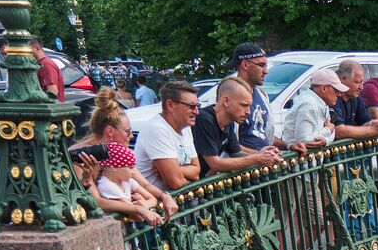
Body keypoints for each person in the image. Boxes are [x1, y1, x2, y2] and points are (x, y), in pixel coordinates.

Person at [73, 87, 179, 222]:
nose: (130, 136)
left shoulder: (119, 154)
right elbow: (97, 201)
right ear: (110, 131)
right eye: (127, 132)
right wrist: (138, 208)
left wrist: (165, 196)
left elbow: (145, 185)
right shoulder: (81, 155)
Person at [194, 77, 283, 177]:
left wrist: (263, 154)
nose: (248, 112)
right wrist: (257, 158)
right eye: (244, 105)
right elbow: (215, 164)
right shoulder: (204, 120)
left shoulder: (229, 121)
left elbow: (236, 153)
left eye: (249, 106)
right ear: (226, 101)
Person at [233, 43, 304, 157]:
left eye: (266, 66)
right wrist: (259, 155)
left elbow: (265, 137)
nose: (266, 71)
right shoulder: (230, 96)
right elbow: (229, 145)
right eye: (261, 65)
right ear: (245, 64)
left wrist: (289, 146)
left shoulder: (262, 95)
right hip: (243, 170)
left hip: (264, 166)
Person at [135, 78, 201, 191]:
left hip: (183, 200)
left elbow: (196, 171)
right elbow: (175, 183)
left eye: (197, 106)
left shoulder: (186, 128)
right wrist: (180, 173)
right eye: (191, 106)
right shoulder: (157, 130)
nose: (196, 111)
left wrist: (177, 169)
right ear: (170, 105)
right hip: (159, 204)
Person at [331, 60, 378, 141]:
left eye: (362, 82)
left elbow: (365, 122)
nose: (361, 87)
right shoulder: (332, 98)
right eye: (357, 82)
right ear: (343, 78)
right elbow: (339, 131)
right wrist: (373, 129)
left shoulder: (355, 97)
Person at [286, 68, 344, 149]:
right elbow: (303, 142)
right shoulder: (309, 104)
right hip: (299, 160)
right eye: (336, 90)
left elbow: (332, 133)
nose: (339, 94)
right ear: (324, 88)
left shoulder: (322, 102)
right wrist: (327, 130)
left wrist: (326, 141)